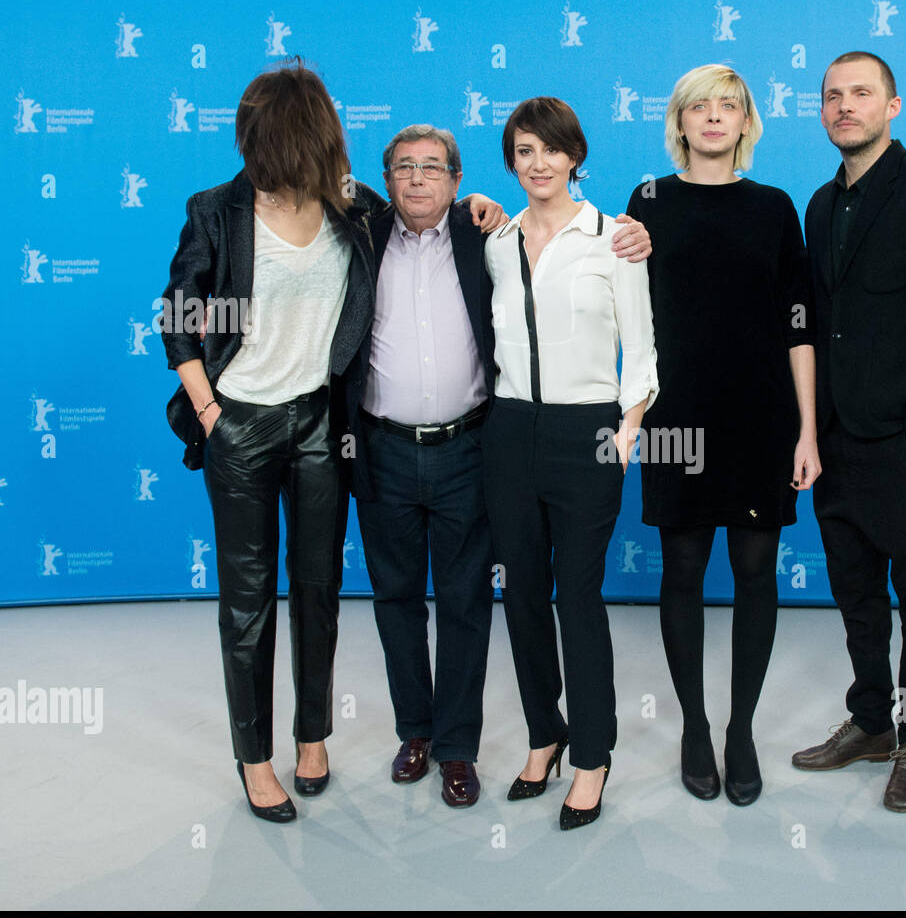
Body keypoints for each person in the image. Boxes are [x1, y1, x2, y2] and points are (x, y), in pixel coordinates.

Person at [342, 125, 650, 809]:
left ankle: (462, 748)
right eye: (403, 168)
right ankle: (425, 733)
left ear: (457, 181)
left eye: (433, 168)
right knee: (406, 599)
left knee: (472, 602)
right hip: (394, 447)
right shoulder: (370, 235)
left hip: (475, 446)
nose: (417, 179)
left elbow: (637, 332)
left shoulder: (489, 235)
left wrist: (627, 431)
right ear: (386, 179)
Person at [160, 60, 382, 822]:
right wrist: (211, 410)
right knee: (248, 604)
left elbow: (427, 222)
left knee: (318, 590)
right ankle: (255, 759)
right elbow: (179, 316)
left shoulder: (350, 207)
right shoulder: (217, 211)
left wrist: (483, 209)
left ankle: (312, 736)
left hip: (322, 423)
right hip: (242, 425)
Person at [625, 64, 817, 806]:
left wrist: (807, 429)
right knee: (681, 568)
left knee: (756, 570)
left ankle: (741, 730)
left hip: (761, 417)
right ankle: (695, 727)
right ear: (679, 120)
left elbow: (798, 322)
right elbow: (618, 304)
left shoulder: (775, 207)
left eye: (728, 105)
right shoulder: (647, 200)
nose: (713, 117)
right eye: (699, 106)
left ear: (746, 121)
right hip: (678, 415)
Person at [792, 52, 906, 813]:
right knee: (856, 592)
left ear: (893, 105)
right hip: (834, 436)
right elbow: (814, 324)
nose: (844, 107)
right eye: (832, 96)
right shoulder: (816, 203)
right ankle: (870, 723)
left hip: (903, 438)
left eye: (860, 94)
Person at [482, 97, 658, 830]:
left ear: (575, 156)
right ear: (511, 161)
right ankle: (544, 735)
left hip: (588, 433)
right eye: (524, 151)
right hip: (507, 428)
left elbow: (643, 348)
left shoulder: (614, 238)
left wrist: (626, 431)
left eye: (552, 150)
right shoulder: (496, 241)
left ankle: (592, 755)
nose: (539, 163)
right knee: (521, 593)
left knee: (575, 598)